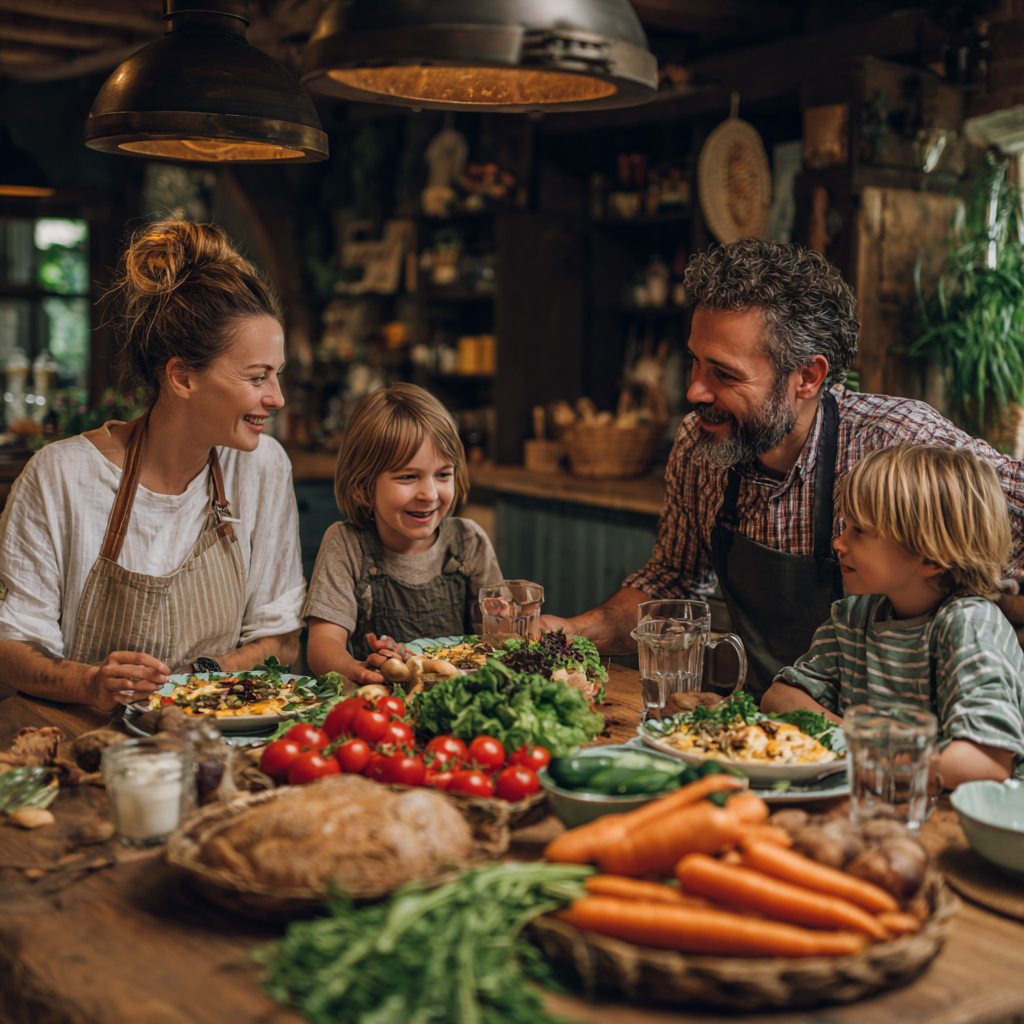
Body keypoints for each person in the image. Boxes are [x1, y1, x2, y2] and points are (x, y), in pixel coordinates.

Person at [539, 239, 1024, 697]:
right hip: (769, 731)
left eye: (724, 373)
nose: (695, 392)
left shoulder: (896, 444)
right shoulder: (699, 445)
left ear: (808, 377)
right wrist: (574, 633)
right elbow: (673, 582)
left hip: (891, 745)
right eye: (696, 363)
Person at [0, 221, 305, 710]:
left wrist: (191, 685)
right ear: (182, 376)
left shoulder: (262, 466)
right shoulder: (60, 477)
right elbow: (12, 647)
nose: (277, 398)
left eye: (278, 375)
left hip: (212, 732)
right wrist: (90, 683)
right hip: (83, 740)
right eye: (257, 377)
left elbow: (282, 639)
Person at [762, 445, 1024, 787]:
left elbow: (986, 763)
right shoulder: (854, 617)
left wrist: (874, 755)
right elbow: (779, 697)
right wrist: (860, 739)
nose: (839, 543)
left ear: (930, 558)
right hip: (879, 800)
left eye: (859, 531)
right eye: (845, 527)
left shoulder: (968, 626)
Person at [304, 383, 501, 684]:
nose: (429, 493)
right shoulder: (346, 545)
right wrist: (359, 671)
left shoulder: (469, 542)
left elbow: (496, 640)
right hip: (383, 707)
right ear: (364, 484)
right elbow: (322, 645)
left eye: (443, 474)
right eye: (408, 477)